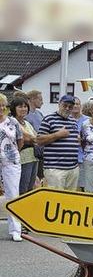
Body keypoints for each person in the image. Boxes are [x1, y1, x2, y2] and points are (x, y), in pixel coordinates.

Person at [36, 95, 81, 191]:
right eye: (65, 105)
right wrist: (57, 135)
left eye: (70, 107)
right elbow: (39, 140)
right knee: (56, 199)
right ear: (59, 104)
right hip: (55, 169)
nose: (67, 108)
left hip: (73, 168)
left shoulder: (73, 121)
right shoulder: (48, 119)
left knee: (70, 199)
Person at [0, 94, 23, 241]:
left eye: (3, 105)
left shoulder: (12, 122)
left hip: (11, 161)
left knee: (13, 194)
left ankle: (15, 230)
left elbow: (20, 141)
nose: (2, 108)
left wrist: (11, 154)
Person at [10, 97, 38, 195]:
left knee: (30, 187)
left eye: (25, 106)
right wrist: (33, 139)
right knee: (23, 187)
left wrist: (33, 139)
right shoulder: (12, 121)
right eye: (20, 107)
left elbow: (35, 138)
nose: (23, 109)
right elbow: (28, 138)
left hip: (33, 157)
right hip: (22, 159)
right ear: (14, 108)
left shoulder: (27, 123)